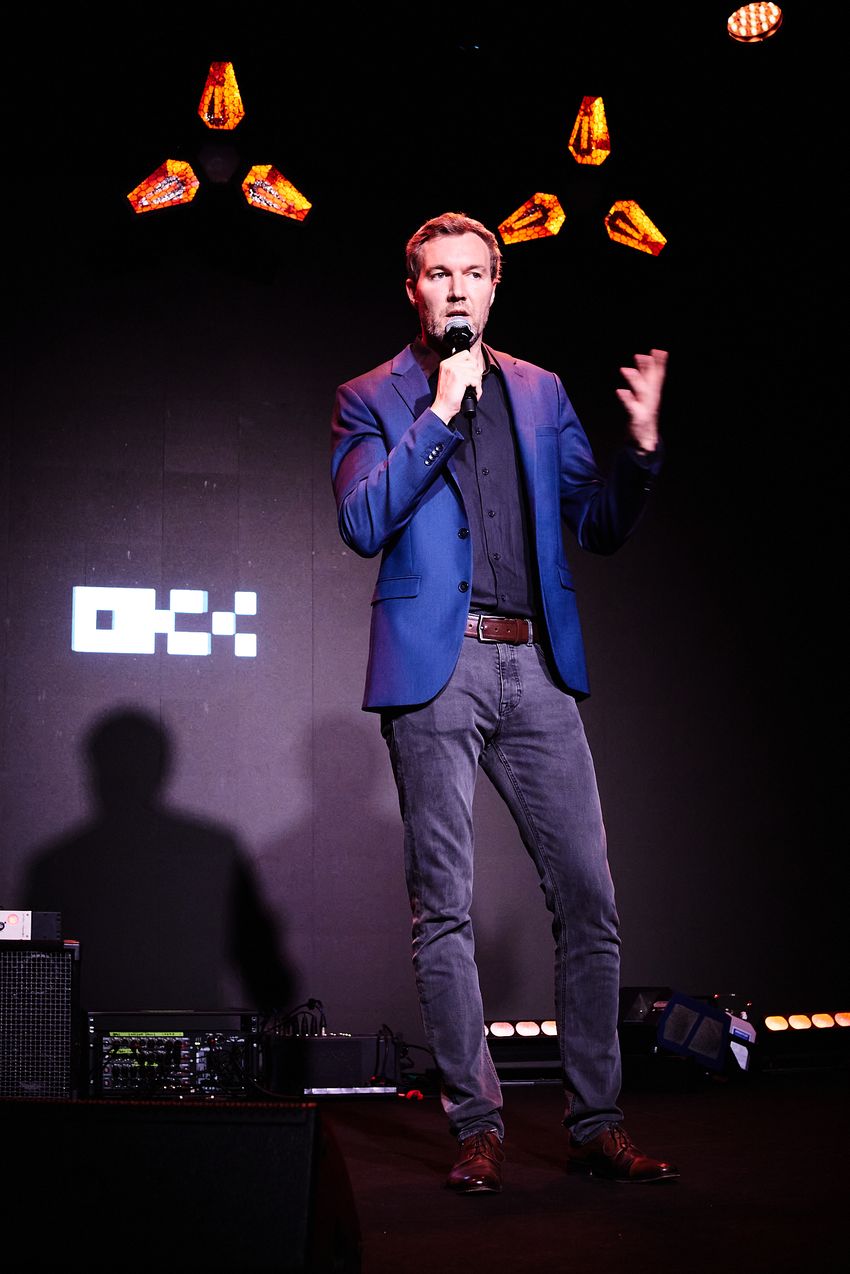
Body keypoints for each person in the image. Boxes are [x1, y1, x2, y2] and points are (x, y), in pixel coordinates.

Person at [330, 210, 677, 1193]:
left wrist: (640, 451)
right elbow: (361, 520)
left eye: (473, 273)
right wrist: (439, 410)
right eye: (437, 273)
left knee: (590, 899)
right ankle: (476, 1127)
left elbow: (596, 525)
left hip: (535, 666)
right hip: (434, 671)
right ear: (413, 288)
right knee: (444, 908)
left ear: (493, 287)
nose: (456, 288)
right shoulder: (370, 396)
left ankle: (595, 1123)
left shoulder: (540, 390)